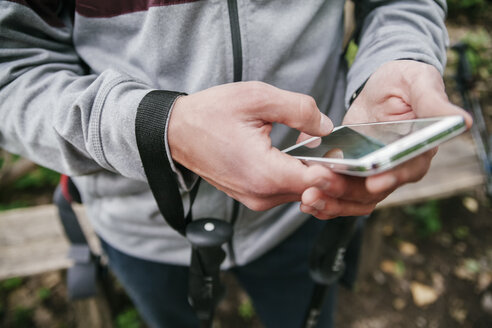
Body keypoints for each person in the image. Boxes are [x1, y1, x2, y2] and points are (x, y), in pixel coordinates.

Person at [0, 0, 472, 327]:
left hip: (307, 204)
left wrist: (397, 55)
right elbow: (11, 68)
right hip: (144, 227)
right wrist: (158, 127)